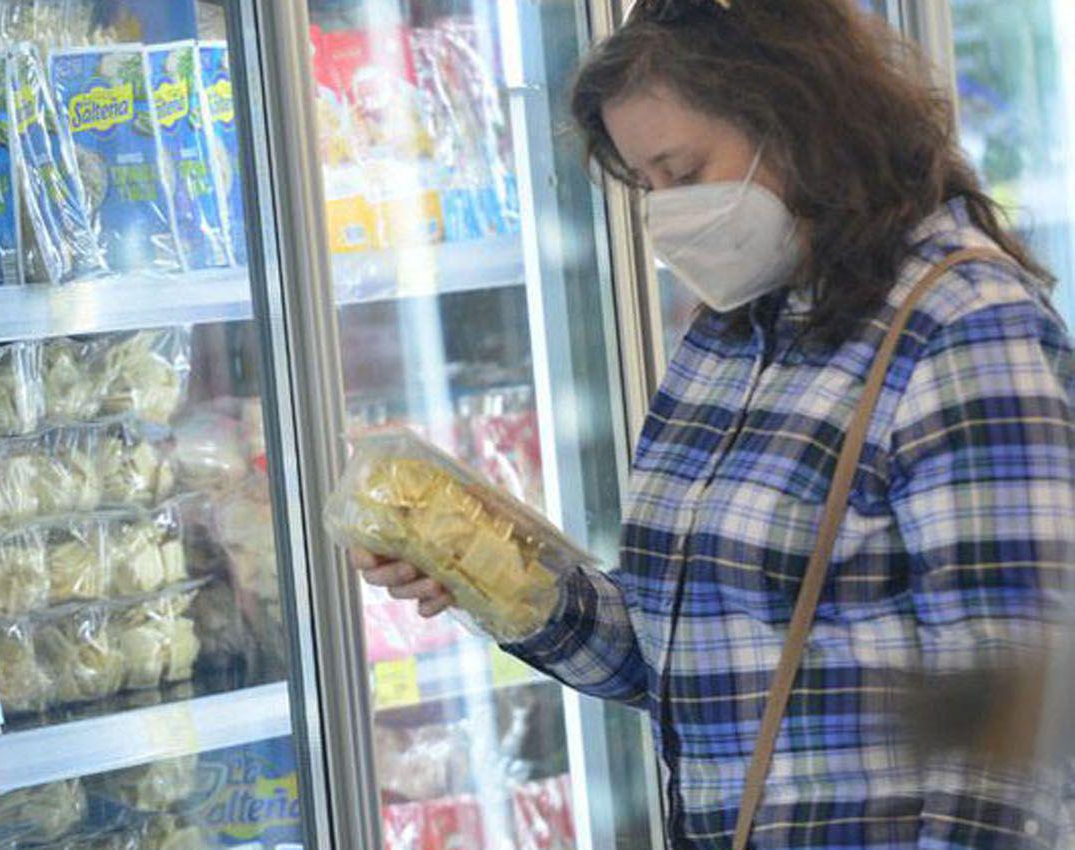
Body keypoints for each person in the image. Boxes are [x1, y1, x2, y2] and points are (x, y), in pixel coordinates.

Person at [352, 0, 1074, 848]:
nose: (667, 215)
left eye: (685, 171)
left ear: (800, 120)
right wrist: (491, 574)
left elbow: (1016, 733)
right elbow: (681, 664)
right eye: (646, 184)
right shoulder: (728, 336)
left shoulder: (961, 328)